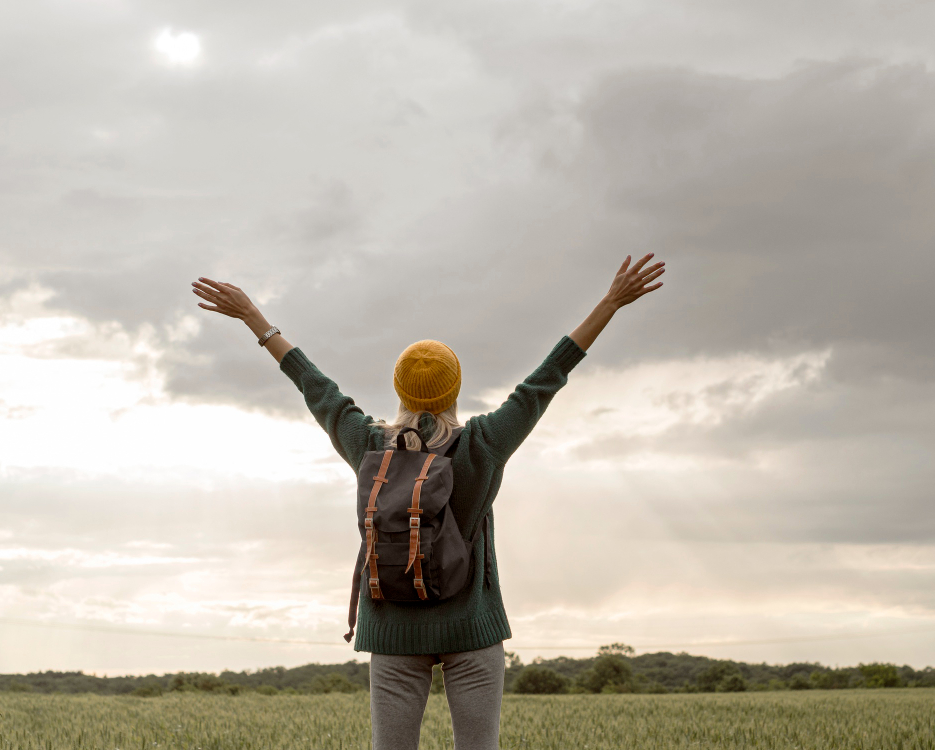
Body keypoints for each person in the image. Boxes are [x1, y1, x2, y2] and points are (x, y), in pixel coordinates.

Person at [190, 253, 665, 749]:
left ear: (399, 388)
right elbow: (544, 381)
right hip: (471, 628)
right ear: (455, 388)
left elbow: (318, 389)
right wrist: (610, 303)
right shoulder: (483, 443)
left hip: (392, 629)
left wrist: (255, 321)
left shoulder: (369, 444)